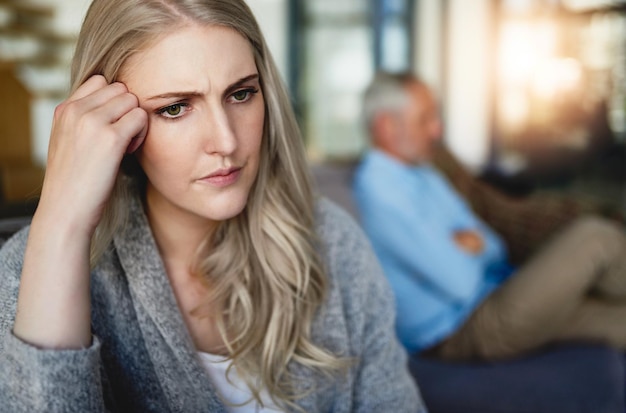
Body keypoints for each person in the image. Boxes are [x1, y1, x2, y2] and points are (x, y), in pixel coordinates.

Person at [0, 2, 425, 412]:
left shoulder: (331, 240)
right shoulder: (33, 270)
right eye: (175, 108)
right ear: (113, 125)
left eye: (240, 94)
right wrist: (61, 224)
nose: (226, 142)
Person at [352, 71, 626, 362]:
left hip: (498, 290)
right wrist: (468, 245)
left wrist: (471, 246)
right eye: (425, 119)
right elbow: (463, 282)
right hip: (464, 329)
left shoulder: (423, 174)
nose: (436, 131)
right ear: (387, 127)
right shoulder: (379, 189)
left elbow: (495, 246)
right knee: (595, 237)